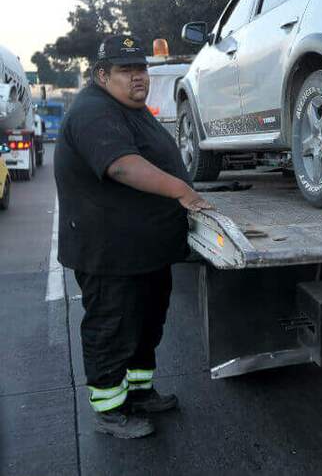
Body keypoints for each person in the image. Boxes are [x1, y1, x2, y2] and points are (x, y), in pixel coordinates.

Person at [54, 35, 212, 439]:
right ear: (102, 75)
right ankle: (109, 409)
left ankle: (139, 393)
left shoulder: (130, 108)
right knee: (112, 329)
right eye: (126, 70)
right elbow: (122, 166)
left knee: (145, 326)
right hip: (110, 255)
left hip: (143, 252)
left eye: (141, 68)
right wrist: (182, 191)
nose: (138, 76)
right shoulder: (92, 111)